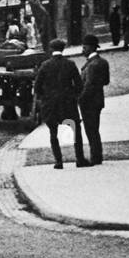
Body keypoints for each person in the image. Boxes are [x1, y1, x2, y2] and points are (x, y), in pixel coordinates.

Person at [33, 39, 87, 169]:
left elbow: (37, 86)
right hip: (68, 103)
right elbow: (79, 85)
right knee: (76, 129)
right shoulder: (70, 64)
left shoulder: (45, 65)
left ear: (51, 50)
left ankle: (58, 162)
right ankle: (79, 159)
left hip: (51, 104)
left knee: (53, 132)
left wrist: (45, 97)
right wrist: (72, 95)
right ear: (63, 49)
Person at [78, 33, 109, 165]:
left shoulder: (92, 65)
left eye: (84, 47)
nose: (83, 50)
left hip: (89, 102)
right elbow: (106, 81)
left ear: (90, 48)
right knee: (94, 129)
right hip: (98, 100)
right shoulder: (102, 62)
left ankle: (95, 157)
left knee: (91, 130)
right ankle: (97, 155)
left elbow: (88, 85)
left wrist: (80, 99)